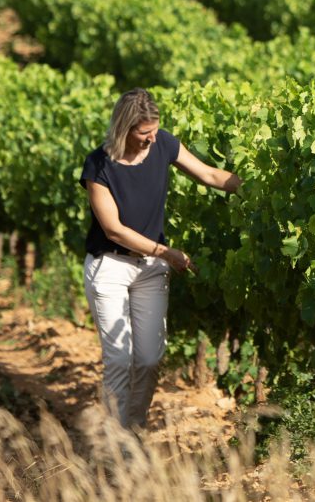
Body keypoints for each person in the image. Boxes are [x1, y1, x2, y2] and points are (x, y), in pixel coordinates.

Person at [79, 87, 241, 432]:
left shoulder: (164, 143)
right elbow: (114, 230)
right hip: (110, 266)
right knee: (119, 360)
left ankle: (133, 429)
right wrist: (166, 253)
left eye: (154, 131)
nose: (151, 139)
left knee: (150, 360)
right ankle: (115, 441)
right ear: (123, 128)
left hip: (150, 271)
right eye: (143, 133)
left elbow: (210, 175)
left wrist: (254, 187)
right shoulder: (98, 164)